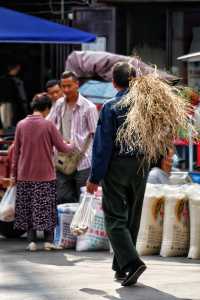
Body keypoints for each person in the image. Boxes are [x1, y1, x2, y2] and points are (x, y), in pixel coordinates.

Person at [87, 62, 149, 286]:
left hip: (117, 167)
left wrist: (94, 177)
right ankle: (121, 267)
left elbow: (102, 147)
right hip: (141, 165)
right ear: (134, 81)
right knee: (132, 215)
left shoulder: (111, 107)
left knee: (114, 218)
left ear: (114, 82)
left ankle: (132, 263)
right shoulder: (147, 105)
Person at [11, 95, 74, 251]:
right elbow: (63, 148)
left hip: (25, 174)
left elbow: (16, 153)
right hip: (45, 175)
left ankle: (31, 241)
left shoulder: (21, 125)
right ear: (47, 109)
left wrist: (14, 174)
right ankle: (48, 241)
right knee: (46, 208)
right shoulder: (48, 125)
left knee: (29, 208)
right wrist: (72, 144)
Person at [48, 70, 98, 204]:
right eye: (63, 86)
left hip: (84, 161)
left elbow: (96, 137)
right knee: (62, 200)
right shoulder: (59, 104)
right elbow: (48, 124)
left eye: (69, 86)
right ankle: (66, 225)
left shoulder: (89, 108)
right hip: (62, 160)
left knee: (84, 201)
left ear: (77, 84)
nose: (66, 89)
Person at [0, 62, 28, 129]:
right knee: (8, 125)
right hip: (9, 104)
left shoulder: (15, 79)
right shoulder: (11, 80)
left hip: (9, 104)